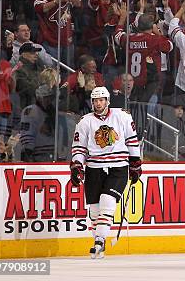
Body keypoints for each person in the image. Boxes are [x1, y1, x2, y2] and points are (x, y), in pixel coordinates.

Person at [69, 86, 141, 259]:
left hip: (118, 167)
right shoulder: (85, 121)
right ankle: (99, 244)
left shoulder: (122, 116)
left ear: (107, 101)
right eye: (95, 100)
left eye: (101, 100)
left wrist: (135, 163)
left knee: (107, 201)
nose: (98, 103)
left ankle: (99, 241)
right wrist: (77, 166)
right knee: (94, 210)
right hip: (94, 168)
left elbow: (132, 141)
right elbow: (79, 148)